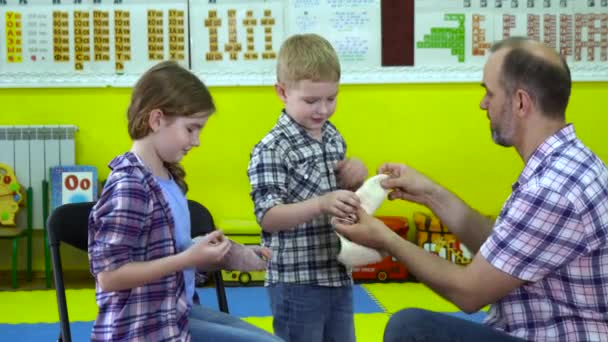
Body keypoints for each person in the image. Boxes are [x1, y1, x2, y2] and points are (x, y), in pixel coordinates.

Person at [335, 37, 608, 341]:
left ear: (520, 102)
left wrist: (386, 240)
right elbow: (500, 248)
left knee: (410, 329)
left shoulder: (551, 189)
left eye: (489, 93)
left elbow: (469, 293)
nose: (483, 103)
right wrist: (429, 192)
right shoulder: (569, 161)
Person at [88, 61, 282, 342]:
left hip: (176, 312)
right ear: (156, 120)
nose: (197, 141)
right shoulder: (130, 185)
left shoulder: (168, 178)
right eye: (191, 129)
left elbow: (169, 251)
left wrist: (227, 254)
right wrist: (188, 258)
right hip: (144, 329)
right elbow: (109, 276)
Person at [247, 33, 368, 342]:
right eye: (311, 100)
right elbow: (268, 216)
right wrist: (320, 204)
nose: (323, 109)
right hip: (296, 281)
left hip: (337, 273)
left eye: (332, 98)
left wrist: (356, 179)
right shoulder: (272, 148)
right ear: (282, 92)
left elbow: (342, 198)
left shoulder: (332, 136)